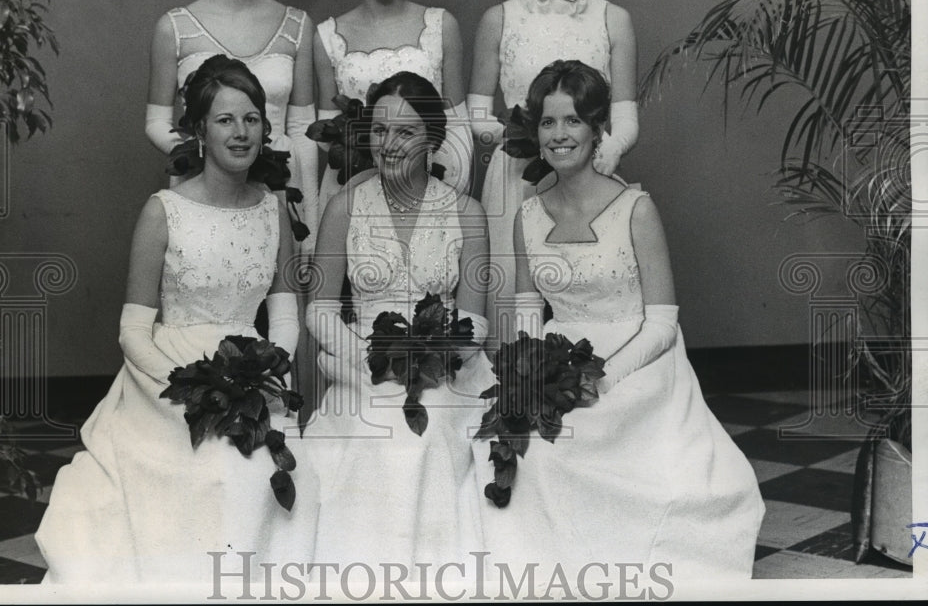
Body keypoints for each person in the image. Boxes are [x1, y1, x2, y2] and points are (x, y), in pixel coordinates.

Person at [474, 60, 763, 580]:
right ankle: (554, 569)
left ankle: (630, 566)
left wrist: (600, 378)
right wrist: (527, 375)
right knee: (526, 447)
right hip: (556, 360)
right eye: (547, 122)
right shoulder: (527, 216)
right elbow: (525, 313)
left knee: (601, 441)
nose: (559, 135)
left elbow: (662, 323)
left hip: (639, 363)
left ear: (597, 128)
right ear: (534, 132)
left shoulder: (636, 208)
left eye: (572, 121)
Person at [37, 55, 317, 585]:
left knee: (267, 470)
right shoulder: (163, 210)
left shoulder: (273, 208)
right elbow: (134, 331)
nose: (241, 133)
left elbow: (284, 309)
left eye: (252, 118)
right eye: (225, 120)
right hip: (168, 377)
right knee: (210, 469)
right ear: (199, 133)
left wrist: (265, 367)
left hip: (253, 370)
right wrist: (191, 387)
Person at [303, 71, 490, 575]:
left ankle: (429, 571)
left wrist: (436, 358)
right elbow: (319, 310)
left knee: (426, 431)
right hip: (362, 366)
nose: (388, 145)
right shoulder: (344, 207)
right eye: (380, 131)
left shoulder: (467, 213)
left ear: (433, 140)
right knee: (378, 426)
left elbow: (473, 317)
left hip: (446, 368)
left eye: (405, 133)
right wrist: (370, 362)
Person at [467, 0, 639, 338]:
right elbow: (477, 115)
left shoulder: (612, 19)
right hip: (515, 179)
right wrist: (525, 138)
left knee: (588, 300)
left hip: (591, 175)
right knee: (513, 306)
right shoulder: (499, 19)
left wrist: (608, 151)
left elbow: (625, 117)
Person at [144, 0, 318, 257]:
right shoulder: (174, 27)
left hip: (279, 186)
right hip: (202, 185)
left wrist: (306, 216)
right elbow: (156, 121)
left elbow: (303, 129)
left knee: (281, 303)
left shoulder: (298, 26)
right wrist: (209, 156)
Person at [313, 0, 473, 217]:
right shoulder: (327, 36)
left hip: (428, 180)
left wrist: (446, 189)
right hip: (351, 188)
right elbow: (326, 133)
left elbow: (457, 126)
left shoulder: (442, 26)